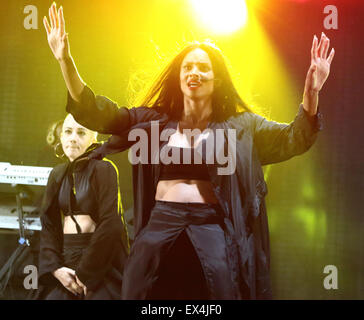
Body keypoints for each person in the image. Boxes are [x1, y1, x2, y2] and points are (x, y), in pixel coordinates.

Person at [43, 3, 334, 299]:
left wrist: (311, 93)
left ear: (216, 78)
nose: (194, 72)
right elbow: (98, 113)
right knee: (137, 284)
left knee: (222, 286)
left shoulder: (241, 126)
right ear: (179, 78)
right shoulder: (152, 120)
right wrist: (65, 60)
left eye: (203, 67)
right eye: (188, 67)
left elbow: (294, 138)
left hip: (212, 226)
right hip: (161, 224)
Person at [38, 113, 129, 299]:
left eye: (81, 133)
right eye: (68, 132)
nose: (73, 138)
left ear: (92, 139)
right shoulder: (57, 174)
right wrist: (55, 268)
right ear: (61, 136)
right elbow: (48, 223)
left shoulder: (104, 169)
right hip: (66, 258)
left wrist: (86, 273)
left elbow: (111, 223)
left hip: (99, 261)